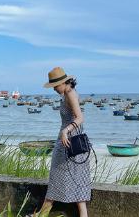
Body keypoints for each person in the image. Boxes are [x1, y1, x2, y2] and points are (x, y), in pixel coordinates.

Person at [32, 67, 91, 217]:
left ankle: (41, 214)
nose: (54, 89)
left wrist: (65, 131)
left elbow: (80, 118)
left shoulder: (70, 94)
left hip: (70, 142)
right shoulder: (66, 93)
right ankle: (42, 214)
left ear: (64, 82)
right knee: (75, 181)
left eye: (55, 86)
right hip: (68, 142)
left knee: (62, 179)